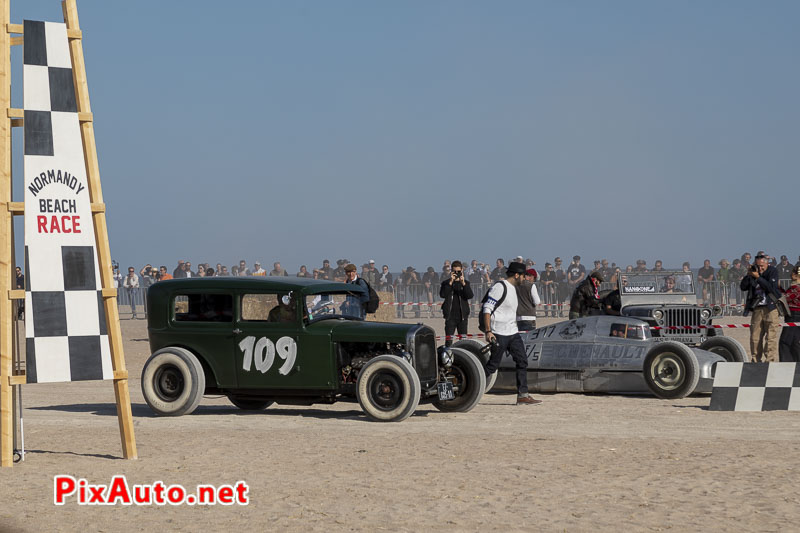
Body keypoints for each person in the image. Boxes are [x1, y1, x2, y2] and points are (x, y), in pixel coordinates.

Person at [482, 261, 542, 406]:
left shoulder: (515, 288)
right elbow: (487, 308)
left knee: (522, 361)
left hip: (513, 333)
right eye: (523, 276)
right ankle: (469, 385)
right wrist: (488, 331)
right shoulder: (499, 287)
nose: (525, 278)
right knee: (492, 366)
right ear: (516, 275)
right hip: (498, 333)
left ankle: (523, 395)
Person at [740, 255, 782, 362]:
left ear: (767, 264)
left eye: (762, 266)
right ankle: (755, 359)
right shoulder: (753, 272)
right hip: (757, 308)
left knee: (771, 337)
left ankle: (769, 360)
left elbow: (771, 288)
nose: (760, 268)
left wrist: (758, 277)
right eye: (758, 265)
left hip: (771, 307)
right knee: (755, 337)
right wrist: (749, 274)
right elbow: (743, 287)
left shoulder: (772, 271)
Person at [439, 261, 473, 346]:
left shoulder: (466, 283)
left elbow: (469, 295)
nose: (457, 273)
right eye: (455, 271)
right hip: (450, 316)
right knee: (448, 341)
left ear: (462, 271)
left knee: (463, 341)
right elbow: (443, 295)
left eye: (458, 271)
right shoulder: (446, 283)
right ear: (451, 271)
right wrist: (450, 282)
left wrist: (463, 284)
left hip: (462, 316)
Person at [778, 266, 800, 362]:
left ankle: (787, 363)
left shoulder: (796, 288)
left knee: (785, 342)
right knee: (795, 342)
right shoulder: (794, 287)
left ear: (796, 275)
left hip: (794, 316)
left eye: (792, 273)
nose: (790, 275)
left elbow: (785, 298)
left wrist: (778, 289)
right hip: (795, 316)